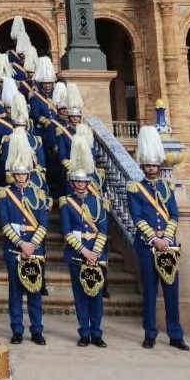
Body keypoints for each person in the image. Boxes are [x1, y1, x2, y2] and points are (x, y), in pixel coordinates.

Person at [127, 126, 189, 351]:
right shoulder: (134, 189)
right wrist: (154, 238)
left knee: (172, 290)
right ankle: (150, 332)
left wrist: (167, 236)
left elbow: (173, 214)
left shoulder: (167, 187)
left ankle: (175, 334)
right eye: (148, 165)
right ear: (143, 167)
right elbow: (137, 217)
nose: (152, 168)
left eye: (154, 165)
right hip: (146, 245)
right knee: (150, 291)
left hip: (168, 245)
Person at [0, 130, 48, 345]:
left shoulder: (38, 193)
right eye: (17, 174)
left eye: (24, 173)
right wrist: (21, 244)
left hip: (35, 249)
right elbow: (4, 222)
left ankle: (36, 329)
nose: (21, 177)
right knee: (15, 293)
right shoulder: (5, 193)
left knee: (35, 291)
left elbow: (43, 222)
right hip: (14, 249)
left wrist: (33, 244)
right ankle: (17, 329)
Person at [61, 134, 108, 348]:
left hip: (96, 254)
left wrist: (95, 253)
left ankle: (97, 332)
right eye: (77, 181)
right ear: (72, 183)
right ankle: (84, 332)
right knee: (80, 296)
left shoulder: (98, 202)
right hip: (77, 254)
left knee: (96, 296)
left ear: (88, 183)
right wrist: (84, 252)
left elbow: (104, 230)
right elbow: (67, 231)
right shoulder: (67, 203)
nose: (80, 185)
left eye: (83, 181)